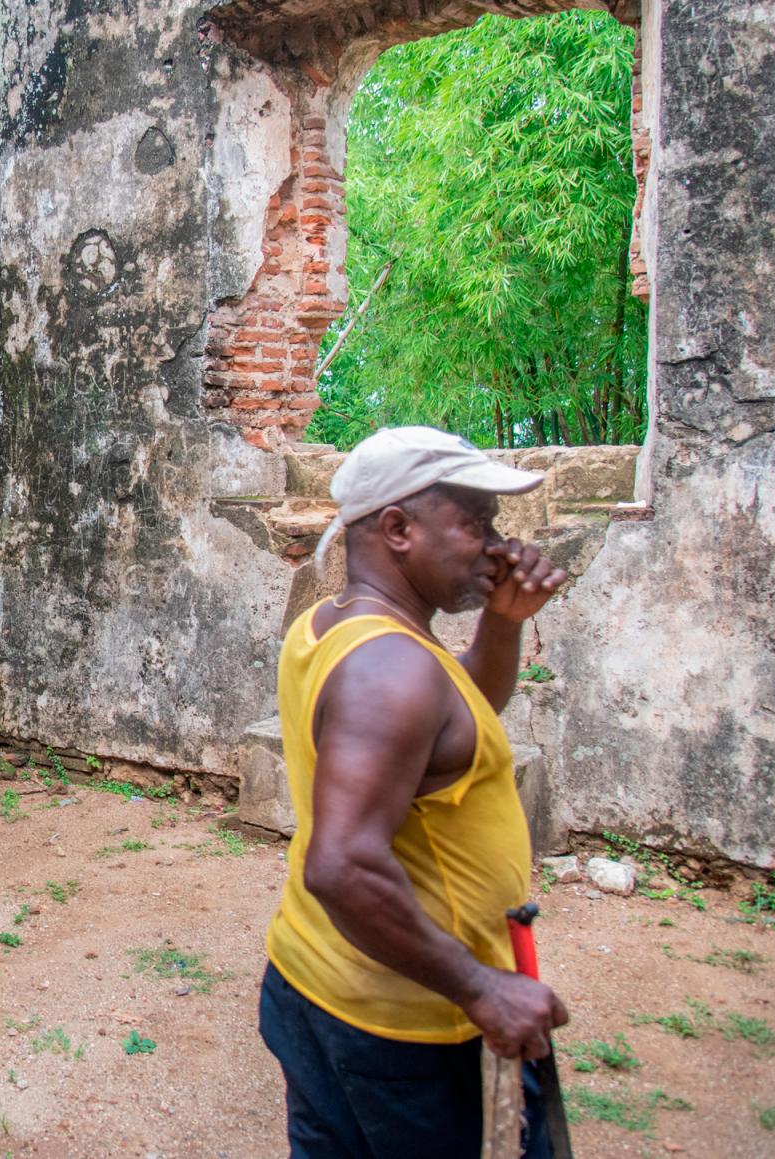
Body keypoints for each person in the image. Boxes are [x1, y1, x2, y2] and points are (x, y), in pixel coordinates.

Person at [258, 425, 571, 1158]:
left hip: (316, 976)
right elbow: (341, 864)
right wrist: (481, 987)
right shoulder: (392, 670)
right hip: (401, 1028)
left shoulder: (332, 623)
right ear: (397, 528)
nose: (495, 546)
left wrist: (502, 621)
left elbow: (456, 719)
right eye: (474, 522)